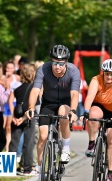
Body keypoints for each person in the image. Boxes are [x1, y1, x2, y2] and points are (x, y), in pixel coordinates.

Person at [26, 44, 80, 180]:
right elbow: (35, 90)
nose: (57, 67)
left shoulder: (73, 71)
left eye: (61, 64)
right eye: (54, 63)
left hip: (65, 103)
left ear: (66, 62)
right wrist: (31, 108)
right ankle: (39, 169)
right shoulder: (43, 69)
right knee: (43, 136)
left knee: (63, 112)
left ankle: (66, 147)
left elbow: (74, 94)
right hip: (48, 103)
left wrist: (73, 111)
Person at [83, 59, 112, 181]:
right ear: (103, 72)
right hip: (100, 106)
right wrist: (86, 112)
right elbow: (89, 97)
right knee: (93, 115)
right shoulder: (96, 80)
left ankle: (110, 171)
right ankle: (92, 143)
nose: (109, 77)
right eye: (107, 73)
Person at [9, 64, 38, 175]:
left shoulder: (17, 89)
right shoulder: (35, 89)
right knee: (29, 142)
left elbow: (10, 101)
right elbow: (35, 105)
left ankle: (9, 168)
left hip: (17, 115)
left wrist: (13, 116)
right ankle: (27, 168)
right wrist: (23, 118)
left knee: (14, 143)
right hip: (28, 116)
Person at [2, 60, 21, 152]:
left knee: (9, 127)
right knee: (2, 125)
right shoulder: (2, 78)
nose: (9, 69)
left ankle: (7, 149)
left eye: (11, 68)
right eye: (8, 67)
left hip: (13, 103)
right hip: (3, 103)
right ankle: (0, 143)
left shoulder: (17, 78)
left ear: (14, 69)